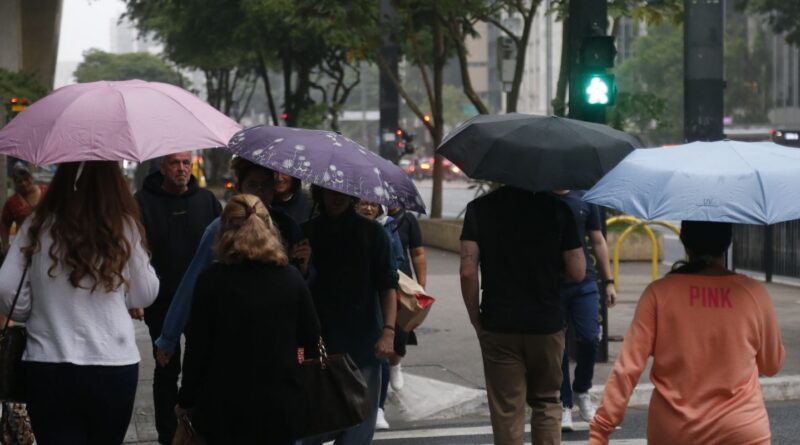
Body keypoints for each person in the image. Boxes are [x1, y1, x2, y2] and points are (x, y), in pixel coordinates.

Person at [0, 161, 159, 445]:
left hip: (48, 364)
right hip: (113, 364)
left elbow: (7, 289)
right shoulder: (123, 225)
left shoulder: (37, 224)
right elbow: (146, 292)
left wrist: (31, 308)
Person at [589, 221, 785, 445]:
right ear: (728, 242)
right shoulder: (753, 293)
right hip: (741, 429)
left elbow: (628, 368)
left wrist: (601, 430)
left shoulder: (659, 293)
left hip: (675, 430)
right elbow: (771, 365)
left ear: (685, 241)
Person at [175, 194, 319, 444]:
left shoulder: (211, 281)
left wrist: (186, 400)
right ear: (269, 227)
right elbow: (311, 336)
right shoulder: (290, 278)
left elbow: (197, 349)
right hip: (280, 402)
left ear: (224, 230)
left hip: (223, 405)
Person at [154, 158, 311, 366]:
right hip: (231, 336)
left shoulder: (287, 227)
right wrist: (169, 337)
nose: (260, 192)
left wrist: (305, 266)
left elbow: (302, 287)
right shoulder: (220, 228)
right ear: (239, 188)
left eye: (265, 185)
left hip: (277, 337)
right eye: (253, 185)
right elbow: (192, 282)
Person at [460, 186, 585, 445]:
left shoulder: (479, 209)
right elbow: (577, 271)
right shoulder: (559, 209)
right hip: (546, 322)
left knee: (507, 407)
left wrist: (476, 319)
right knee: (547, 401)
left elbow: (468, 271)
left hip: (498, 322)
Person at [133, 151, 222, 445]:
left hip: (203, 301)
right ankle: (167, 435)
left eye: (186, 163)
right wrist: (133, 294)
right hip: (161, 299)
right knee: (166, 368)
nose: (181, 168)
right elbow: (134, 251)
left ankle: (199, 430)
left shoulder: (207, 201)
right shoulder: (142, 202)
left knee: (203, 366)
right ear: (162, 167)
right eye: (174, 163)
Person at [300, 186, 398, 445]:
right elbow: (293, 289)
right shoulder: (306, 233)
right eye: (330, 189)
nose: (336, 194)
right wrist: (302, 264)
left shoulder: (372, 233)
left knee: (359, 427)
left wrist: (389, 332)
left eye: (343, 189)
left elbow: (388, 285)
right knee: (311, 426)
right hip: (318, 344)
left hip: (363, 343)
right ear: (319, 193)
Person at [552, 190, 617, 430]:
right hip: (553, 284)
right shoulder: (542, 198)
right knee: (559, 346)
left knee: (591, 338)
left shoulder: (586, 198)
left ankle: (582, 389)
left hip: (585, 281)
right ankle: (565, 403)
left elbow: (598, 239)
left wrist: (609, 281)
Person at [356, 201, 405, 430]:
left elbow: (396, 266)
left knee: (380, 357)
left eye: (372, 205)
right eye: (362, 204)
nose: (367, 209)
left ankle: (378, 408)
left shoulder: (385, 230)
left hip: (377, 301)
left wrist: (389, 330)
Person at [385, 205, 427, 391]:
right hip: (379, 282)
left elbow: (417, 253)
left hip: (403, 285)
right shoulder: (372, 218)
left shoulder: (408, 219)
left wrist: (421, 286)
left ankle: (395, 365)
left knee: (401, 330)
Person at [0, 164, 47, 254]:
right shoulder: (12, 202)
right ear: (15, 183)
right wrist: (5, 245)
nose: (24, 183)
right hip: (23, 246)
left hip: (46, 243)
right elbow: (5, 223)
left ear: (31, 178)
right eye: (19, 181)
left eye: (26, 179)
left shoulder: (46, 192)